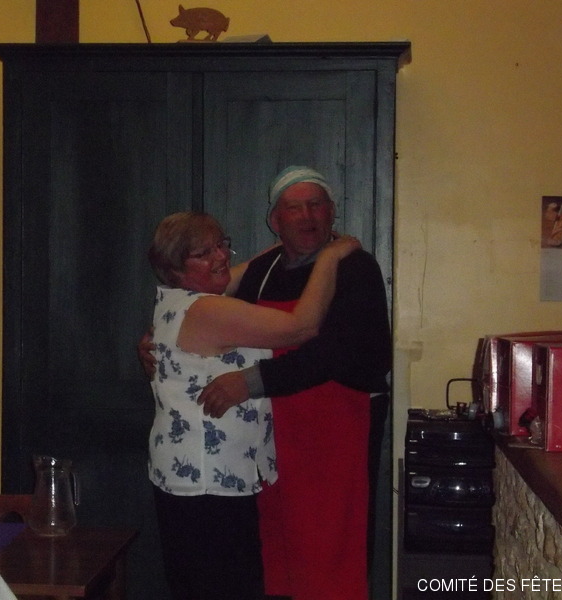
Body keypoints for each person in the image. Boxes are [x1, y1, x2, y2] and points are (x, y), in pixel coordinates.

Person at [196, 166, 392, 600]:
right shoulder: (262, 269)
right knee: (278, 549)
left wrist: (251, 382)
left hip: (336, 432)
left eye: (316, 205)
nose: (307, 216)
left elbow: (339, 352)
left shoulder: (355, 267)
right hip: (273, 435)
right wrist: (156, 338)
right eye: (294, 208)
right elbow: (204, 310)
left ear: (332, 212)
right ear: (275, 220)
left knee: (330, 549)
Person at [146, 211, 361, 600]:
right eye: (204, 253)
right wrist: (330, 256)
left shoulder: (179, 300)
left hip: (195, 478)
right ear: (176, 268)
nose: (220, 257)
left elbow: (242, 270)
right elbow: (302, 326)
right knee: (225, 587)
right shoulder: (207, 310)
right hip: (207, 483)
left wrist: (292, 244)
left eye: (221, 245)